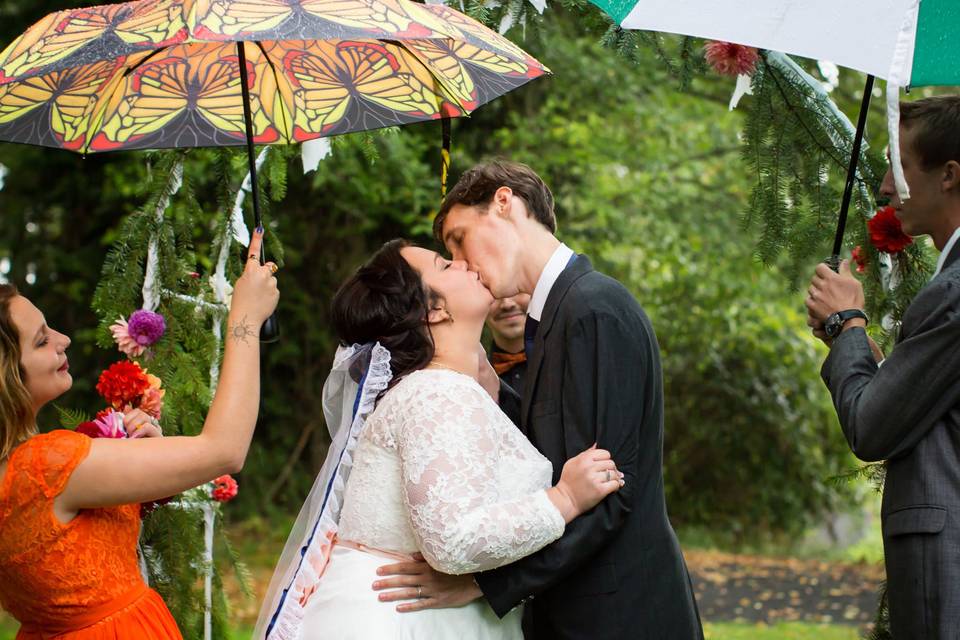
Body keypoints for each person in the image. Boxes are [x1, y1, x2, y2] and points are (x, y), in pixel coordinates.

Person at [375, 161, 703, 639]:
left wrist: (486, 584)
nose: (463, 264)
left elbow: (612, 492)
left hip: (623, 614)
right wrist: (496, 396)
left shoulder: (594, 309)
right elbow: (553, 459)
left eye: (460, 238)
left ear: (504, 204)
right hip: (570, 610)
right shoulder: (552, 319)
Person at [256, 239, 624, 640]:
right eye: (446, 266)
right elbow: (451, 540)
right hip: (401, 621)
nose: (465, 264)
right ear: (433, 310)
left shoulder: (440, 389)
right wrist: (564, 500)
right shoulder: (437, 393)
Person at [0, 229, 278, 639]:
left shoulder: (17, 469)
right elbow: (225, 450)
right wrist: (245, 318)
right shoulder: (44, 467)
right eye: (41, 341)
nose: (63, 340)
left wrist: (140, 459)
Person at [805, 96, 960, 639]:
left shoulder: (954, 292)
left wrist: (846, 322)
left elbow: (873, 427)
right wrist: (852, 337)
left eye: (899, 166)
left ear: (948, 175)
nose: (887, 189)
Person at [486, 294, 531, 397]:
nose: (507, 304)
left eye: (517, 291)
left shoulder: (568, 362)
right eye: (494, 294)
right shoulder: (471, 379)